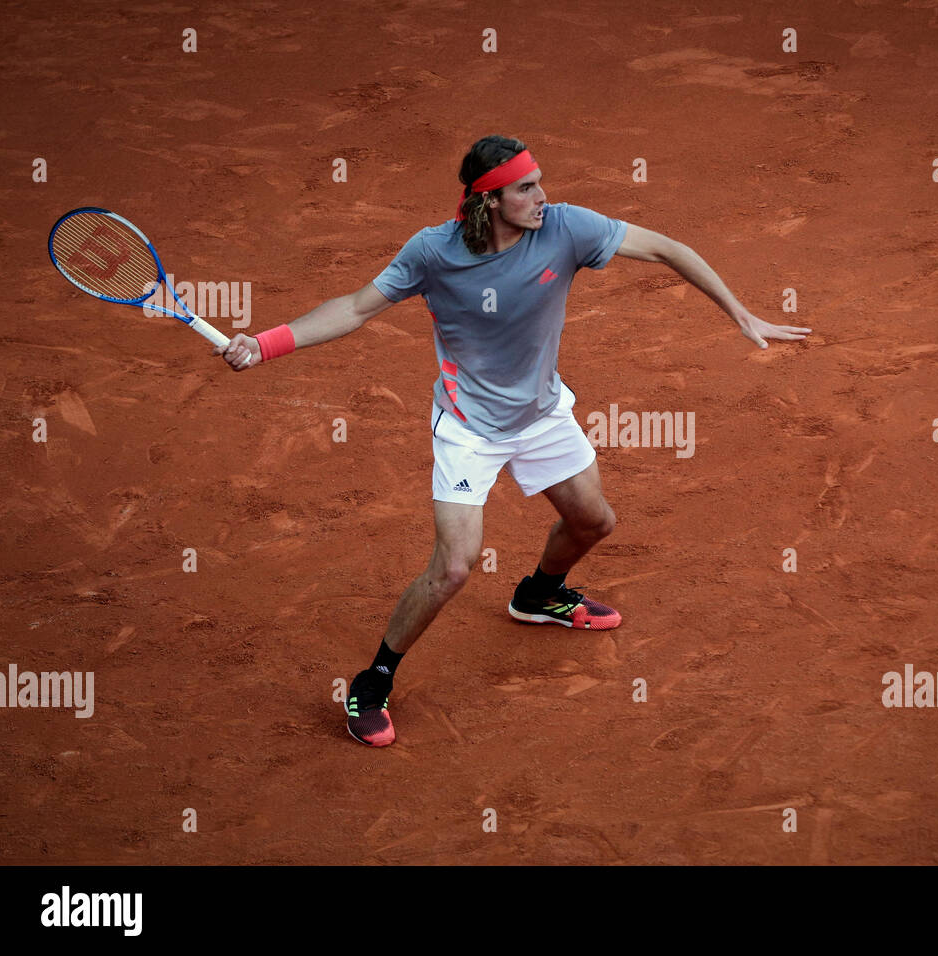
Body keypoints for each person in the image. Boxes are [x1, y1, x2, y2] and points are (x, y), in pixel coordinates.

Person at [214, 134, 812, 746]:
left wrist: (740, 314)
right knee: (452, 567)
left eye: (540, 182)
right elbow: (356, 308)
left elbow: (666, 248)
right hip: (469, 427)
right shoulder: (434, 252)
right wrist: (265, 344)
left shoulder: (567, 229)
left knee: (593, 523)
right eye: (526, 188)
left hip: (542, 414)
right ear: (489, 200)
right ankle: (374, 680)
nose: (542, 197)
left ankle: (538, 594)